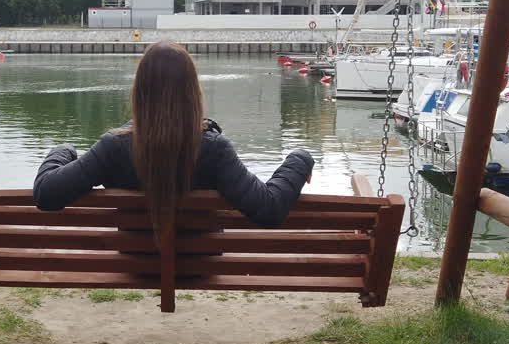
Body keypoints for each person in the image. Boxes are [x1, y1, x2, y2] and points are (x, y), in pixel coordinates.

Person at [33, 41, 314, 230]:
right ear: (192, 91)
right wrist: (300, 159)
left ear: (140, 90)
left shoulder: (113, 147)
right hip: (199, 264)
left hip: (135, 260)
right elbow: (270, 209)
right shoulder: (213, 149)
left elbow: (46, 194)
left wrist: (63, 150)